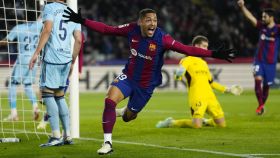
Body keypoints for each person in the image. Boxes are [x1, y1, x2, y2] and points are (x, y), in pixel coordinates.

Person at [63, 8, 236, 154]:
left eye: (155, 20)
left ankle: (125, 112)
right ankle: (107, 143)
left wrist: (213, 54)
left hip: (146, 86)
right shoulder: (131, 29)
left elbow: (186, 48)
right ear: (140, 22)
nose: (152, 23)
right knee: (109, 101)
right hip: (128, 77)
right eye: (148, 20)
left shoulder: (163, 38)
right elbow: (107, 29)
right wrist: (83, 21)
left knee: (129, 117)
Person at [156, 35, 243, 129]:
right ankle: (171, 123)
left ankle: (205, 121)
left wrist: (227, 89)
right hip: (197, 96)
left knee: (222, 125)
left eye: (207, 46)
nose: (207, 49)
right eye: (204, 46)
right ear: (196, 46)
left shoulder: (204, 63)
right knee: (196, 126)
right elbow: (178, 77)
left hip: (210, 97)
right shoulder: (186, 60)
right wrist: (178, 74)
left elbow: (211, 83)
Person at [29, 0, 82, 147]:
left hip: (52, 58)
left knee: (47, 94)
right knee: (59, 96)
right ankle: (68, 135)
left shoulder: (50, 7)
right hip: (66, 59)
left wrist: (36, 53)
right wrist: (72, 61)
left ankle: (55, 136)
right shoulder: (73, 12)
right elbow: (78, 39)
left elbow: (47, 29)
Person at [237, 0, 280, 115]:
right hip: (259, 61)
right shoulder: (262, 27)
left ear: (271, 17)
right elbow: (250, 18)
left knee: (266, 86)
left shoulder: (278, 29)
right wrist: (242, 7)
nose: (263, 18)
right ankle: (260, 106)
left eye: (264, 16)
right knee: (257, 81)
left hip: (271, 63)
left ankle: (261, 105)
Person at [0, 16, 42, 121]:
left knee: (12, 84)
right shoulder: (39, 25)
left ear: (23, 18)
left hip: (23, 58)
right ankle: (35, 107)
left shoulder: (18, 28)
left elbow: (7, 41)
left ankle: (13, 113)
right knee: (27, 85)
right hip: (35, 58)